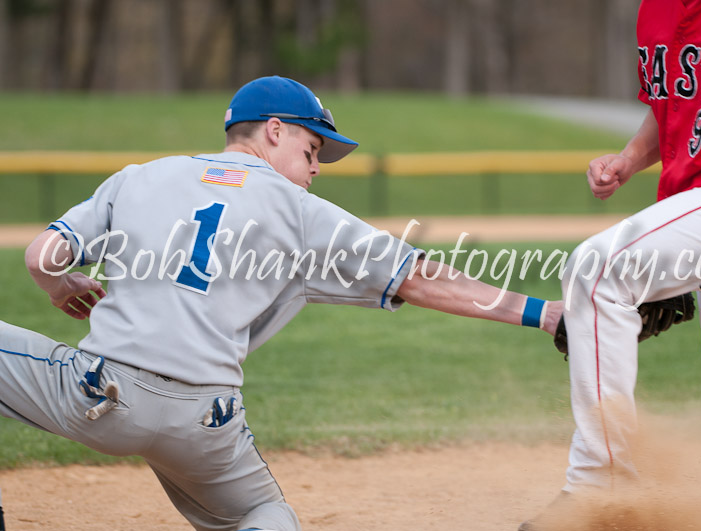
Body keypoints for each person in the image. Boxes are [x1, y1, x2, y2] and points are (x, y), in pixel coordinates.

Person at [0, 75, 562, 531]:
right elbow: (420, 278)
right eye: (312, 148)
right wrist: (545, 313)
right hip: (206, 422)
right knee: (266, 515)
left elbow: (41, 256)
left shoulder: (140, 178)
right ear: (273, 130)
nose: (316, 168)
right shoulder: (299, 211)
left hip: (102, 394)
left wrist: (61, 286)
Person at [519, 0, 701, 529]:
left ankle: (602, 490)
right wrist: (630, 157)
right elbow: (681, 100)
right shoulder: (657, 9)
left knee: (597, 269)